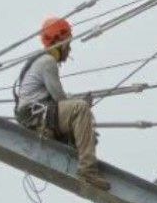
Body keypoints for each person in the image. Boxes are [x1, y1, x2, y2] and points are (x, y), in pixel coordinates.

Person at [14, 16, 110, 191]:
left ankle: (83, 156)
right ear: (61, 42)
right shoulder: (48, 62)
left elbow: (57, 99)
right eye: (68, 43)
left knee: (86, 130)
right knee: (80, 110)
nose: (69, 49)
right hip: (37, 116)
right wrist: (81, 103)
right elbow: (60, 99)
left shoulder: (41, 61)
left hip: (37, 115)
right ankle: (87, 170)